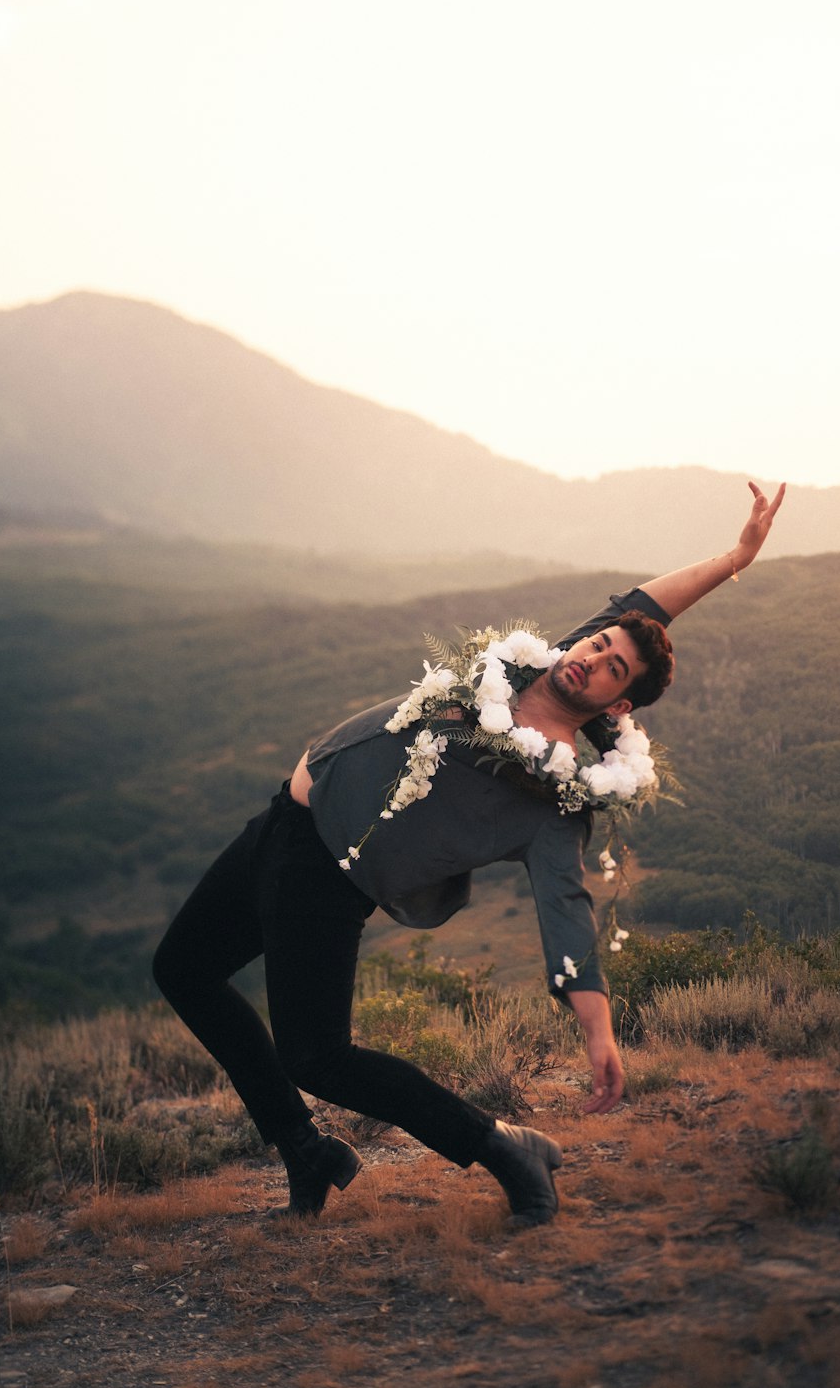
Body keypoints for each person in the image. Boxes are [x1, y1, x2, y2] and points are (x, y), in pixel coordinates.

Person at [153, 480, 785, 1228]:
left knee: (318, 1058)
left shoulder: (554, 791)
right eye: (599, 643)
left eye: (614, 667)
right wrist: (736, 557)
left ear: (619, 706)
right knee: (183, 970)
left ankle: (500, 1144)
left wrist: (597, 1029)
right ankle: (304, 1149)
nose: (594, 656)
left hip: (326, 877)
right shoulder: (527, 669)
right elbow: (644, 608)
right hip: (279, 825)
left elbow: (566, 908)